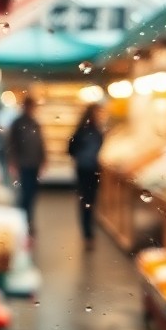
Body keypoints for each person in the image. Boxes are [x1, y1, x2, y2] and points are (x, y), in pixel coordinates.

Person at [6, 95, 46, 237]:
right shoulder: (17, 123)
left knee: (32, 194)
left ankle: (28, 221)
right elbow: (12, 145)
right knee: (25, 194)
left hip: (34, 163)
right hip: (23, 163)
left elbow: (41, 143)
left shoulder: (35, 123)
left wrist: (43, 161)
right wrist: (13, 162)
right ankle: (23, 222)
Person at [67, 102, 105, 251]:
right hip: (84, 170)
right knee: (86, 201)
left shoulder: (95, 130)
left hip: (92, 169)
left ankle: (89, 232)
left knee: (90, 200)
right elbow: (70, 148)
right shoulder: (85, 131)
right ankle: (87, 233)